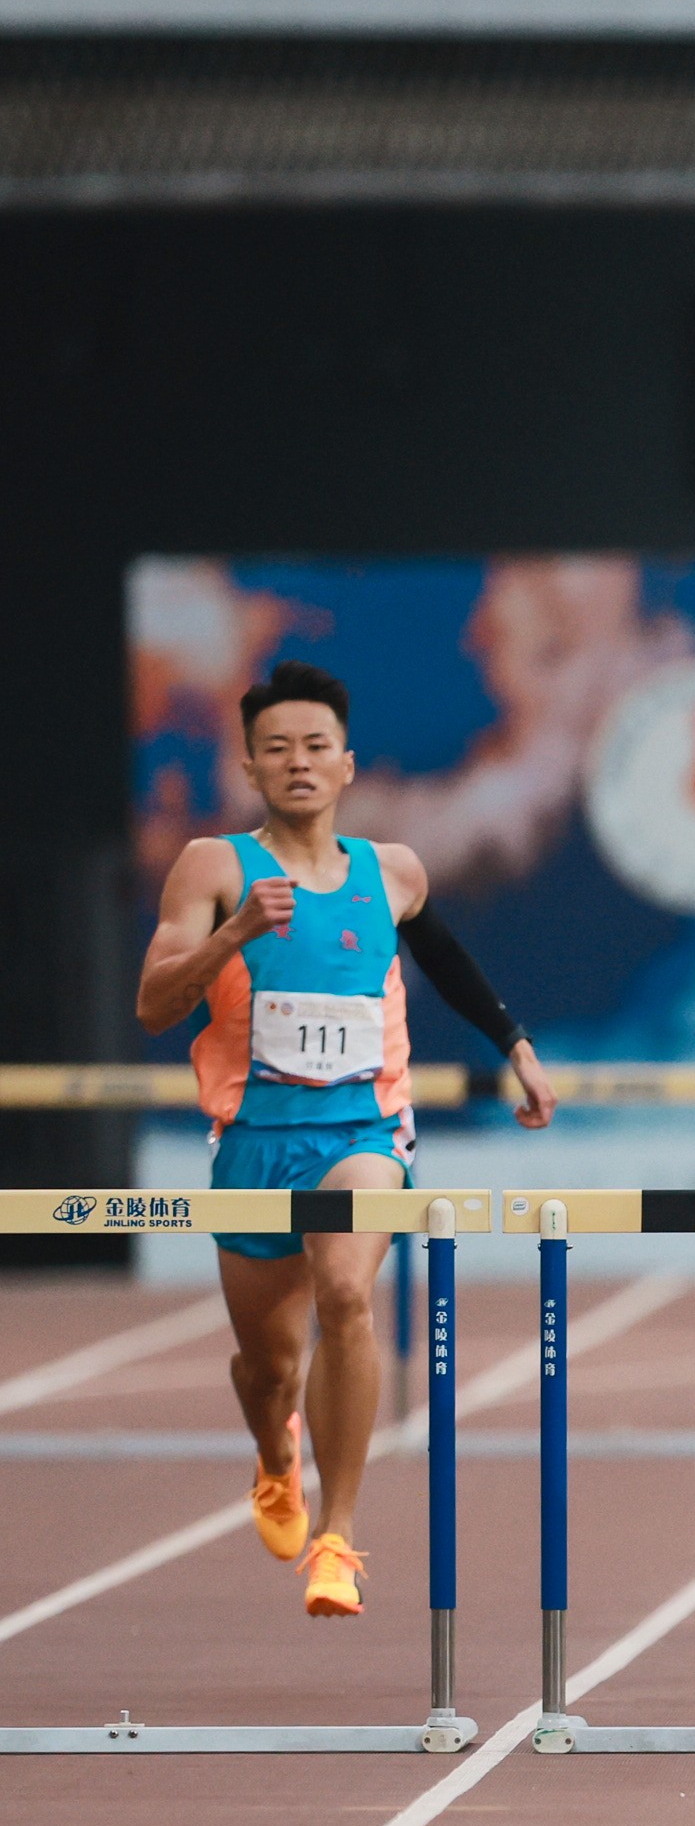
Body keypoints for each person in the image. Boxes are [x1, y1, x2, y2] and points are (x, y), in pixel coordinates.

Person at [135, 659, 561, 1620]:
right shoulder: (212, 866)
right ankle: (275, 1454)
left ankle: (339, 1536)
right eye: (277, 748)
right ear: (251, 765)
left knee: (345, 1295)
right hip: (253, 1141)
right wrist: (232, 934)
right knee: (268, 1366)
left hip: (365, 1131)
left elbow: (447, 961)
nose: (298, 762)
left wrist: (515, 1045)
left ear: (346, 764)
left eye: (315, 747)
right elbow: (155, 1004)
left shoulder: (391, 871)